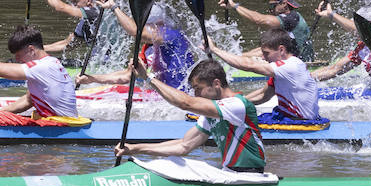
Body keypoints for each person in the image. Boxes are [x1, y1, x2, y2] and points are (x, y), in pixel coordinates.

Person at [113, 58, 267, 172]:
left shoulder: (237, 105)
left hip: (250, 175)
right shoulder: (212, 114)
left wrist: (148, 77)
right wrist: (135, 149)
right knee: (173, 162)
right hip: (230, 173)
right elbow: (184, 145)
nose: (195, 94)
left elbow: (185, 103)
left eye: (198, 88)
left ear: (216, 84)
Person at [208, 28, 321, 121]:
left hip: (301, 122)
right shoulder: (282, 72)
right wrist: (230, 105)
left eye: (266, 53)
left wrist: (214, 49)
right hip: (290, 117)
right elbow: (263, 95)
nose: (263, 57)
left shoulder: (290, 66)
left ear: (281, 50)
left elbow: (247, 65)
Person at [0, 24, 78, 117]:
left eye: (19, 55)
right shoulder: (51, 62)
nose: (17, 59)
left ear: (31, 50)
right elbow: (28, 100)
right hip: (59, 123)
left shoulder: (40, 67)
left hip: (62, 127)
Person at [81, 0, 197, 89]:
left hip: (181, 95)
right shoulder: (148, 48)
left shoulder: (172, 35)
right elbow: (128, 75)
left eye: (145, 27)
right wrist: (93, 79)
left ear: (158, 24)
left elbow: (137, 33)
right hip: (163, 97)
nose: (143, 30)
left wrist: (114, 7)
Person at [24, 0, 125, 56]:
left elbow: (60, 7)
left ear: (88, 1)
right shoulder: (85, 22)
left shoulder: (95, 12)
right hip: (97, 64)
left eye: (76, 2)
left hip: (110, 65)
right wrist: (37, 49)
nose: (74, 5)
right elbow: (67, 45)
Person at [220, 0, 314, 63]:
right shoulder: (289, 18)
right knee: (265, 49)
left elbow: (259, 20)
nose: (270, 10)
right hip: (293, 59)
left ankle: (232, 61)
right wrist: (236, 57)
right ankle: (231, 60)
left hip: (302, 64)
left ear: (284, 4)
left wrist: (234, 6)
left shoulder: (291, 18)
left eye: (272, 6)